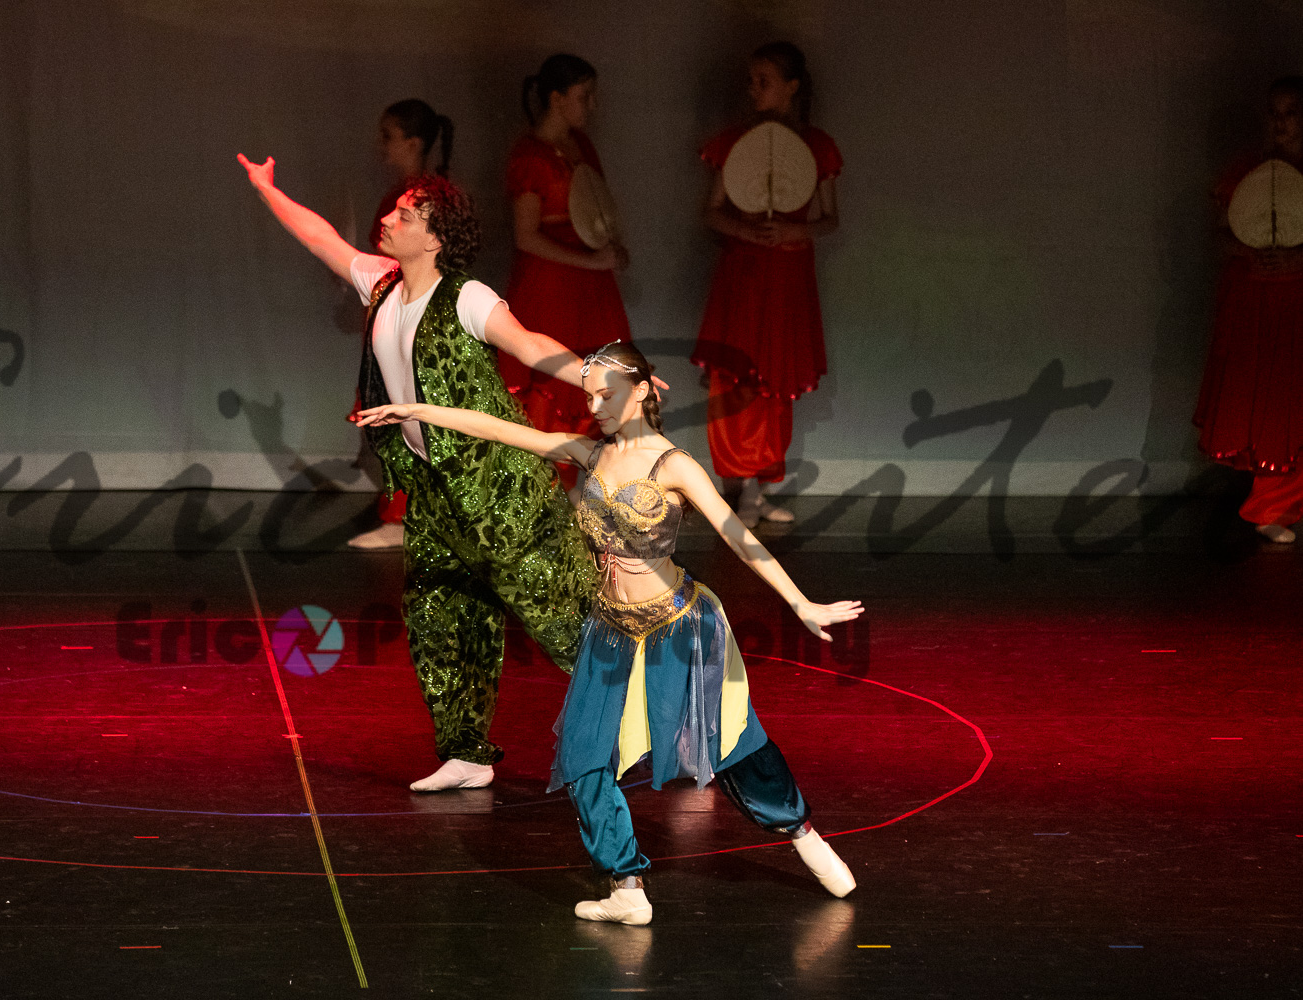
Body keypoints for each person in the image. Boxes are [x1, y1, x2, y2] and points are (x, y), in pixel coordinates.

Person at [356, 340, 862, 924]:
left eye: (606, 394)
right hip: (610, 628)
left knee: (730, 742)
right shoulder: (591, 453)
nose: (594, 406)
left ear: (642, 391)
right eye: (589, 395)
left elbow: (739, 537)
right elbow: (498, 430)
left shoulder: (673, 465)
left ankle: (804, 836)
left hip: (679, 625)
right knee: (583, 754)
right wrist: (418, 410)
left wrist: (801, 603)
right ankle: (627, 887)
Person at [238, 153, 605, 790]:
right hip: (434, 489)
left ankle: (669, 725)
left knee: (563, 620)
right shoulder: (380, 283)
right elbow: (321, 238)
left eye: (404, 215)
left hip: (500, 487)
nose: (387, 218)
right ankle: (467, 754)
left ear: (434, 238)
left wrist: (600, 377)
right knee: (440, 616)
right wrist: (267, 188)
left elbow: (530, 345)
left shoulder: (466, 297)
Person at [692, 42, 841, 528]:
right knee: (739, 380)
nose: (753, 90)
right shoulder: (736, 142)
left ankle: (759, 488)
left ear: (792, 86)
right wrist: (744, 229)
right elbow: (712, 211)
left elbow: (830, 218)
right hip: (745, 276)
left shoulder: (815, 146)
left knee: (777, 379)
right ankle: (741, 488)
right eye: (751, 81)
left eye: (765, 81)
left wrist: (796, 231)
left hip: (787, 280)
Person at [502, 55, 631, 491]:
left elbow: (594, 211)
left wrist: (608, 247)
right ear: (557, 99)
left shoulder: (582, 146)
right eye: (584, 95)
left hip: (589, 287)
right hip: (551, 286)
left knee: (594, 380)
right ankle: (542, 495)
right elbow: (525, 236)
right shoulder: (529, 156)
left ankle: (574, 492)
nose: (592, 105)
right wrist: (593, 260)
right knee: (550, 384)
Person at [1194, 76, 1303, 544]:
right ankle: (1270, 508)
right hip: (1258, 302)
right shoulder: (1245, 172)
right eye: (1274, 113)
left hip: (1297, 300)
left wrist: (1299, 259)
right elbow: (1223, 235)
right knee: (1273, 404)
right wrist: (1248, 252)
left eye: (1291, 113)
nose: (1281, 123)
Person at [349, 99, 456, 551]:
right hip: (395, 318)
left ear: (414, 143)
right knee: (392, 417)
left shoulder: (423, 200)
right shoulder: (402, 197)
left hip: (413, 324)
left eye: (389, 136)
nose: (381, 146)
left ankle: (405, 520)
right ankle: (407, 516)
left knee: (405, 416)